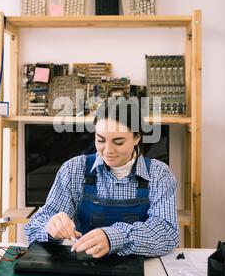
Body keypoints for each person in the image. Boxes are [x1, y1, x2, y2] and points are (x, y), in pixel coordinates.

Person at [24, 97, 179, 257]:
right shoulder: (73, 170)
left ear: (137, 138)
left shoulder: (159, 174)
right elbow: (33, 228)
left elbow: (167, 232)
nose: (108, 150)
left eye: (118, 142)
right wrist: (51, 226)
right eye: (101, 140)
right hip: (86, 268)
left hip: (143, 271)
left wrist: (114, 237)